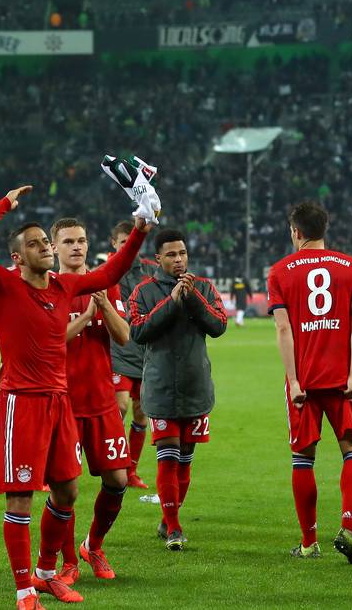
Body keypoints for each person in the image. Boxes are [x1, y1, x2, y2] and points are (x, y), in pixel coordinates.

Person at [0, 185, 150, 610]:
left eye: (45, 242)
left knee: (67, 491)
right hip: (22, 401)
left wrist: (140, 229)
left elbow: (111, 273)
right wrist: (3, 206)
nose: (45, 247)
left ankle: (46, 574)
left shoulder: (64, 286)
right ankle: (24, 590)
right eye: (35, 244)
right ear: (17, 257)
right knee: (20, 498)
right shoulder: (4, 285)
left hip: (60, 401)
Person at [267, 201, 352, 565]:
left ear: (296, 232)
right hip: (343, 379)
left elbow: (283, 329)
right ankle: (349, 528)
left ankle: (309, 543)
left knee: (302, 458)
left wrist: (294, 380)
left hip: (304, 381)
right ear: (324, 229)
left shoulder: (280, 271)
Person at [128, 228, 228, 551]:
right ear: (158, 258)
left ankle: (167, 518)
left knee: (185, 460)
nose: (179, 259)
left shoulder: (204, 287)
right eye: (171, 254)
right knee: (168, 458)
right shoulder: (144, 291)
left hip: (195, 387)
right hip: (160, 388)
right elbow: (138, 331)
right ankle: (173, 528)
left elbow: (219, 325)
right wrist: (171, 302)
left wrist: (193, 298)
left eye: (182, 253)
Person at [51, 217, 132, 582]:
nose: (77, 247)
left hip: (101, 400)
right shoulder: (50, 287)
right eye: (68, 241)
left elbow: (124, 336)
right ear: (55, 247)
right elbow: (51, 340)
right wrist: (86, 316)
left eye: (81, 240)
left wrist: (105, 307)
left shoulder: (105, 283)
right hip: (64, 403)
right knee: (65, 488)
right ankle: (68, 562)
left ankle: (93, 546)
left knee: (117, 479)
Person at [109, 221, 152, 489]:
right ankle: (113, 464)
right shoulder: (108, 271)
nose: (128, 247)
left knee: (141, 414)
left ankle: (131, 471)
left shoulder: (149, 271)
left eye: (131, 242)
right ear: (114, 243)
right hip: (119, 350)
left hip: (144, 351)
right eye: (123, 242)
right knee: (120, 406)